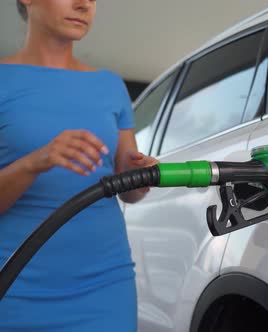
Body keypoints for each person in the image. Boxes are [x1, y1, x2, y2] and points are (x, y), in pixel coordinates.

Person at [0, 0, 158, 330]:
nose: (83, 4)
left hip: (105, 283)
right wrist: (34, 162)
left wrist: (139, 177)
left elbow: (127, 189)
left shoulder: (111, 85)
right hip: (15, 285)